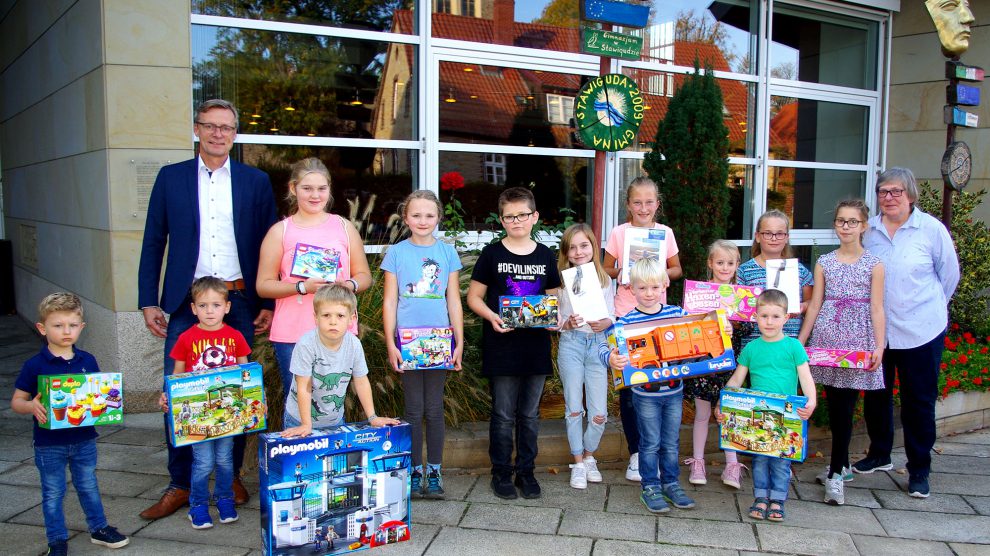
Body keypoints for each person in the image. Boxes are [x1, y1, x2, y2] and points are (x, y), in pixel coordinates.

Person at [138, 98, 277, 518]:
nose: (218, 133)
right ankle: (180, 483)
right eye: (210, 126)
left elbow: (269, 244)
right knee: (180, 392)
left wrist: (267, 301)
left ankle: (230, 476)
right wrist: (148, 300)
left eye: (227, 127)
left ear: (235, 134)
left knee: (234, 391)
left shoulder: (255, 181)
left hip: (238, 301)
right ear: (196, 129)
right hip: (185, 302)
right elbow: (153, 241)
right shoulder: (171, 178)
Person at [858, 168, 960, 498]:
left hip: (921, 330)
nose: (888, 198)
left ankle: (919, 468)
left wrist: (924, 309)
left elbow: (949, 276)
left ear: (911, 195)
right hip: (878, 332)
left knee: (918, 401)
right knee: (876, 395)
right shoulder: (868, 230)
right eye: (883, 192)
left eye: (896, 192)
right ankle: (879, 454)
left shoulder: (931, 230)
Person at [11, 293, 130, 555]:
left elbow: (100, 395)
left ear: (81, 327)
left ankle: (99, 528)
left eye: (72, 325)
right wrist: (31, 405)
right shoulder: (35, 365)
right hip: (48, 444)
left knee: (88, 484)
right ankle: (57, 539)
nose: (66, 331)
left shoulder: (87, 361)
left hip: (84, 439)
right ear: (42, 328)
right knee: (53, 492)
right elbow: (17, 401)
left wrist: (109, 400)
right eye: (58, 325)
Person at [467, 187, 561, 500]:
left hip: (535, 348)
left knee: (530, 416)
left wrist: (554, 313)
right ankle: (502, 473)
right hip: (502, 346)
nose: (516, 220)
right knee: (504, 414)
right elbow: (473, 297)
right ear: (502, 220)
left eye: (522, 215)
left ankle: (526, 472)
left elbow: (554, 296)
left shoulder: (546, 255)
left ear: (534, 217)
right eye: (509, 216)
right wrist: (493, 316)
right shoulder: (492, 254)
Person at [257, 157, 372, 396]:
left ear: (329, 190)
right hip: (292, 332)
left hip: (337, 329)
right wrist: (301, 287)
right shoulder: (280, 231)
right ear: (293, 188)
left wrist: (348, 284)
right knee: (298, 404)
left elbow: (364, 276)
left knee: (331, 401)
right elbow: (263, 285)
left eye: (321, 188)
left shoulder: (343, 226)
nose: (315, 195)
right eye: (307, 188)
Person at [381, 190, 464, 499]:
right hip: (409, 342)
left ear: (438, 218)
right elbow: (390, 301)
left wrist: (459, 341)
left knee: (435, 409)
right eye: (416, 215)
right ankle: (414, 471)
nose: (423, 220)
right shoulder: (397, 253)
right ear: (406, 218)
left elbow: (453, 299)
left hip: (440, 341)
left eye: (429, 215)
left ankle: (435, 471)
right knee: (414, 410)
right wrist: (391, 342)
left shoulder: (447, 253)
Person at [603, 177, 682, 482]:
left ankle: (658, 452)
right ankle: (637, 453)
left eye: (649, 202)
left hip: (657, 318)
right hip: (626, 315)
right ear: (628, 205)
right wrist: (624, 271)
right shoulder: (620, 233)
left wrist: (660, 273)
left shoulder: (665, 233)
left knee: (659, 383)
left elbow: (676, 268)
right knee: (630, 387)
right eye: (637, 202)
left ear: (657, 204)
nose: (643, 207)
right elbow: (606, 267)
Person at [601, 258, 695, 513]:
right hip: (645, 395)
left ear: (665, 284)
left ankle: (671, 483)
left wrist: (723, 328)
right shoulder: (626, 322)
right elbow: (604, 346)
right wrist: (612, 357)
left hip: (674, 391)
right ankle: (650, 486)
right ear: (632, 289)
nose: (649, 293)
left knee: (671, 442)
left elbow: (702, 328)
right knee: (650, 442)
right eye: (643, 288)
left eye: (655, 287)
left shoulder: (676, 314)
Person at [159, 277, 251, 528]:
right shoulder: (186, 338)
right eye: (203, 306)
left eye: (215, 305)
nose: (209, 311)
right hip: (198, 415)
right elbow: (176, 375)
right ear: (193, 308)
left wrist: (253, 400)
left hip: (229, 414)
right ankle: (198, 504)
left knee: (224, 460)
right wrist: (168, 395)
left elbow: (246, 374)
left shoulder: (235, 337)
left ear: (227, 307)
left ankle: (224, 499)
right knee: (203, 462)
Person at [720, 289, 816, 523]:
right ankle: (761, 497)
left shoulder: (793, 347)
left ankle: (778, 500)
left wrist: (811, 401)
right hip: (758, 414)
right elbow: (736, 379)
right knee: (760, 459)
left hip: (786, 415)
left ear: (786, 318)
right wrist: (723, 403)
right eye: (764, 316)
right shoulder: (752, 348)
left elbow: (806, 378)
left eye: (775, 316)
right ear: (755, 316)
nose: (769, 322)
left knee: (782, 461)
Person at [281, 284, 400, 438]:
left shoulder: (354, 345)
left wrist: (372, 417)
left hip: (335, 420)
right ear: (315, 317)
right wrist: (306, 424)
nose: (333, 321)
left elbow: (361, 381)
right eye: (326, 315)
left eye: (340, 316)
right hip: (299, 420)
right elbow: (304, 387)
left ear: (352, 319)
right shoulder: (306, 345)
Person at [682, 240, 752, 490]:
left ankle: (732, 465)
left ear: (736, 266)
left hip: (730, 365)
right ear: (710, 263)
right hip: (704, 363)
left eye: (730, 263)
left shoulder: (741, 295)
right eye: (720, 262)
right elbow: (688, 322)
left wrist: (735, 326)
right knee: (702, 415)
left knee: (728, 413)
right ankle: (698, 461)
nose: (725, 267)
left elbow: (749, 325)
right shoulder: (699, 292)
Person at [556, 223, 614, 490]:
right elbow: (555, 321)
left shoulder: (604, 281)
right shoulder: (560, 284)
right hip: (572, 344)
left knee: (599, 412)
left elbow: (611, 315)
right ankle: (578, 462)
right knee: (574, 408)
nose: (578, 252)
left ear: (593, 247)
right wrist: (565, 324)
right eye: (572, 247)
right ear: (565, 252)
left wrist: (606, 322)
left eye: (584, 245)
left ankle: (590, 455)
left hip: (597, 345)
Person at [736, 210, 813, 346]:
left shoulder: (799, 270)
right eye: (768, 233)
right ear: (758, 237)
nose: (774, 238)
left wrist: (802, 307)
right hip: (754, 345)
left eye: (779, 234)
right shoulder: (744, 270)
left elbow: (811, 302)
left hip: (789, 343)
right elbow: (738, 308)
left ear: (786, 237)